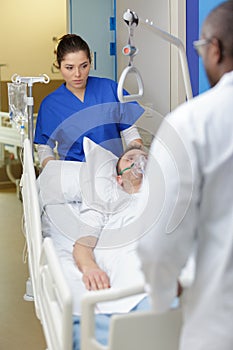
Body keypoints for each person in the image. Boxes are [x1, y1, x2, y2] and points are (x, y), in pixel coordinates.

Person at [138, 2, 233, 350]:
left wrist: (162, 294)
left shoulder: (191, 124)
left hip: (219, 325)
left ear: (215, 48)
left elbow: (158, 242)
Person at [38, 144, 150, 350]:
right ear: (118, 179)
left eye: (143, 158)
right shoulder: (105, 204)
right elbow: (82, 246)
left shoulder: (166, 198)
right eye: (129, 159)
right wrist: (90, 268)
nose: (137, 162)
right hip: (134, 264)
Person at [34, 34, 143, 168]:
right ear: (58, 65)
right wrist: (54, 171)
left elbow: (131, 133)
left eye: (83, 66)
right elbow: (45, 147)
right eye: (69, 68)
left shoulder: (109, 89)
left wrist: (131, 163)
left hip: (113, 173)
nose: (77, 74)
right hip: (73, 177)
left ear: (90, 62)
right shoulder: (50, 105)